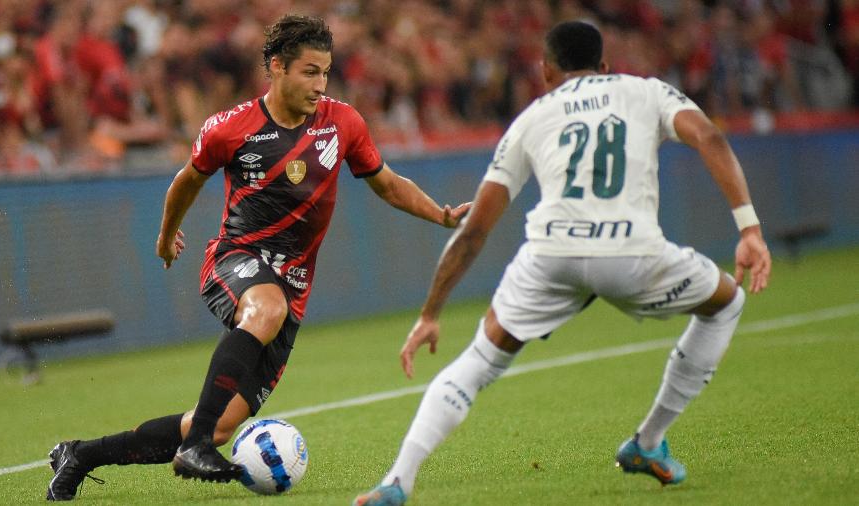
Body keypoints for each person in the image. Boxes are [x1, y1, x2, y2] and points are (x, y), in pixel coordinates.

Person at [45, 14, 469, 501]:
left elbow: (388, 184)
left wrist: (441, 215)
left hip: (293, 288)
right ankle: (196, 446)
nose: (321, 84)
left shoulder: (343, 122)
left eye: (326, 72)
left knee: (223, 422)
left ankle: (81, 455)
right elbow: (185, 181)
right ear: (277, 68)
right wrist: (166, 238)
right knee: (265, 311)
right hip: (235, 259)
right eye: (310, 71)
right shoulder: (231, 128)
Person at [354, 20, 771, 506]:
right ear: (605, 66)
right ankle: (649, 441)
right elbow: (711, 139)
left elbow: (475, 229)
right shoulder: (646, 92)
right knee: (725, 303)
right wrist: (749, 229)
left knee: (477, 362)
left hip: (551, 255)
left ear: (545, 71)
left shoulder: (532, 117)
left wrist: (430, 312)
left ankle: (397, 481)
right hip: (633, 252)